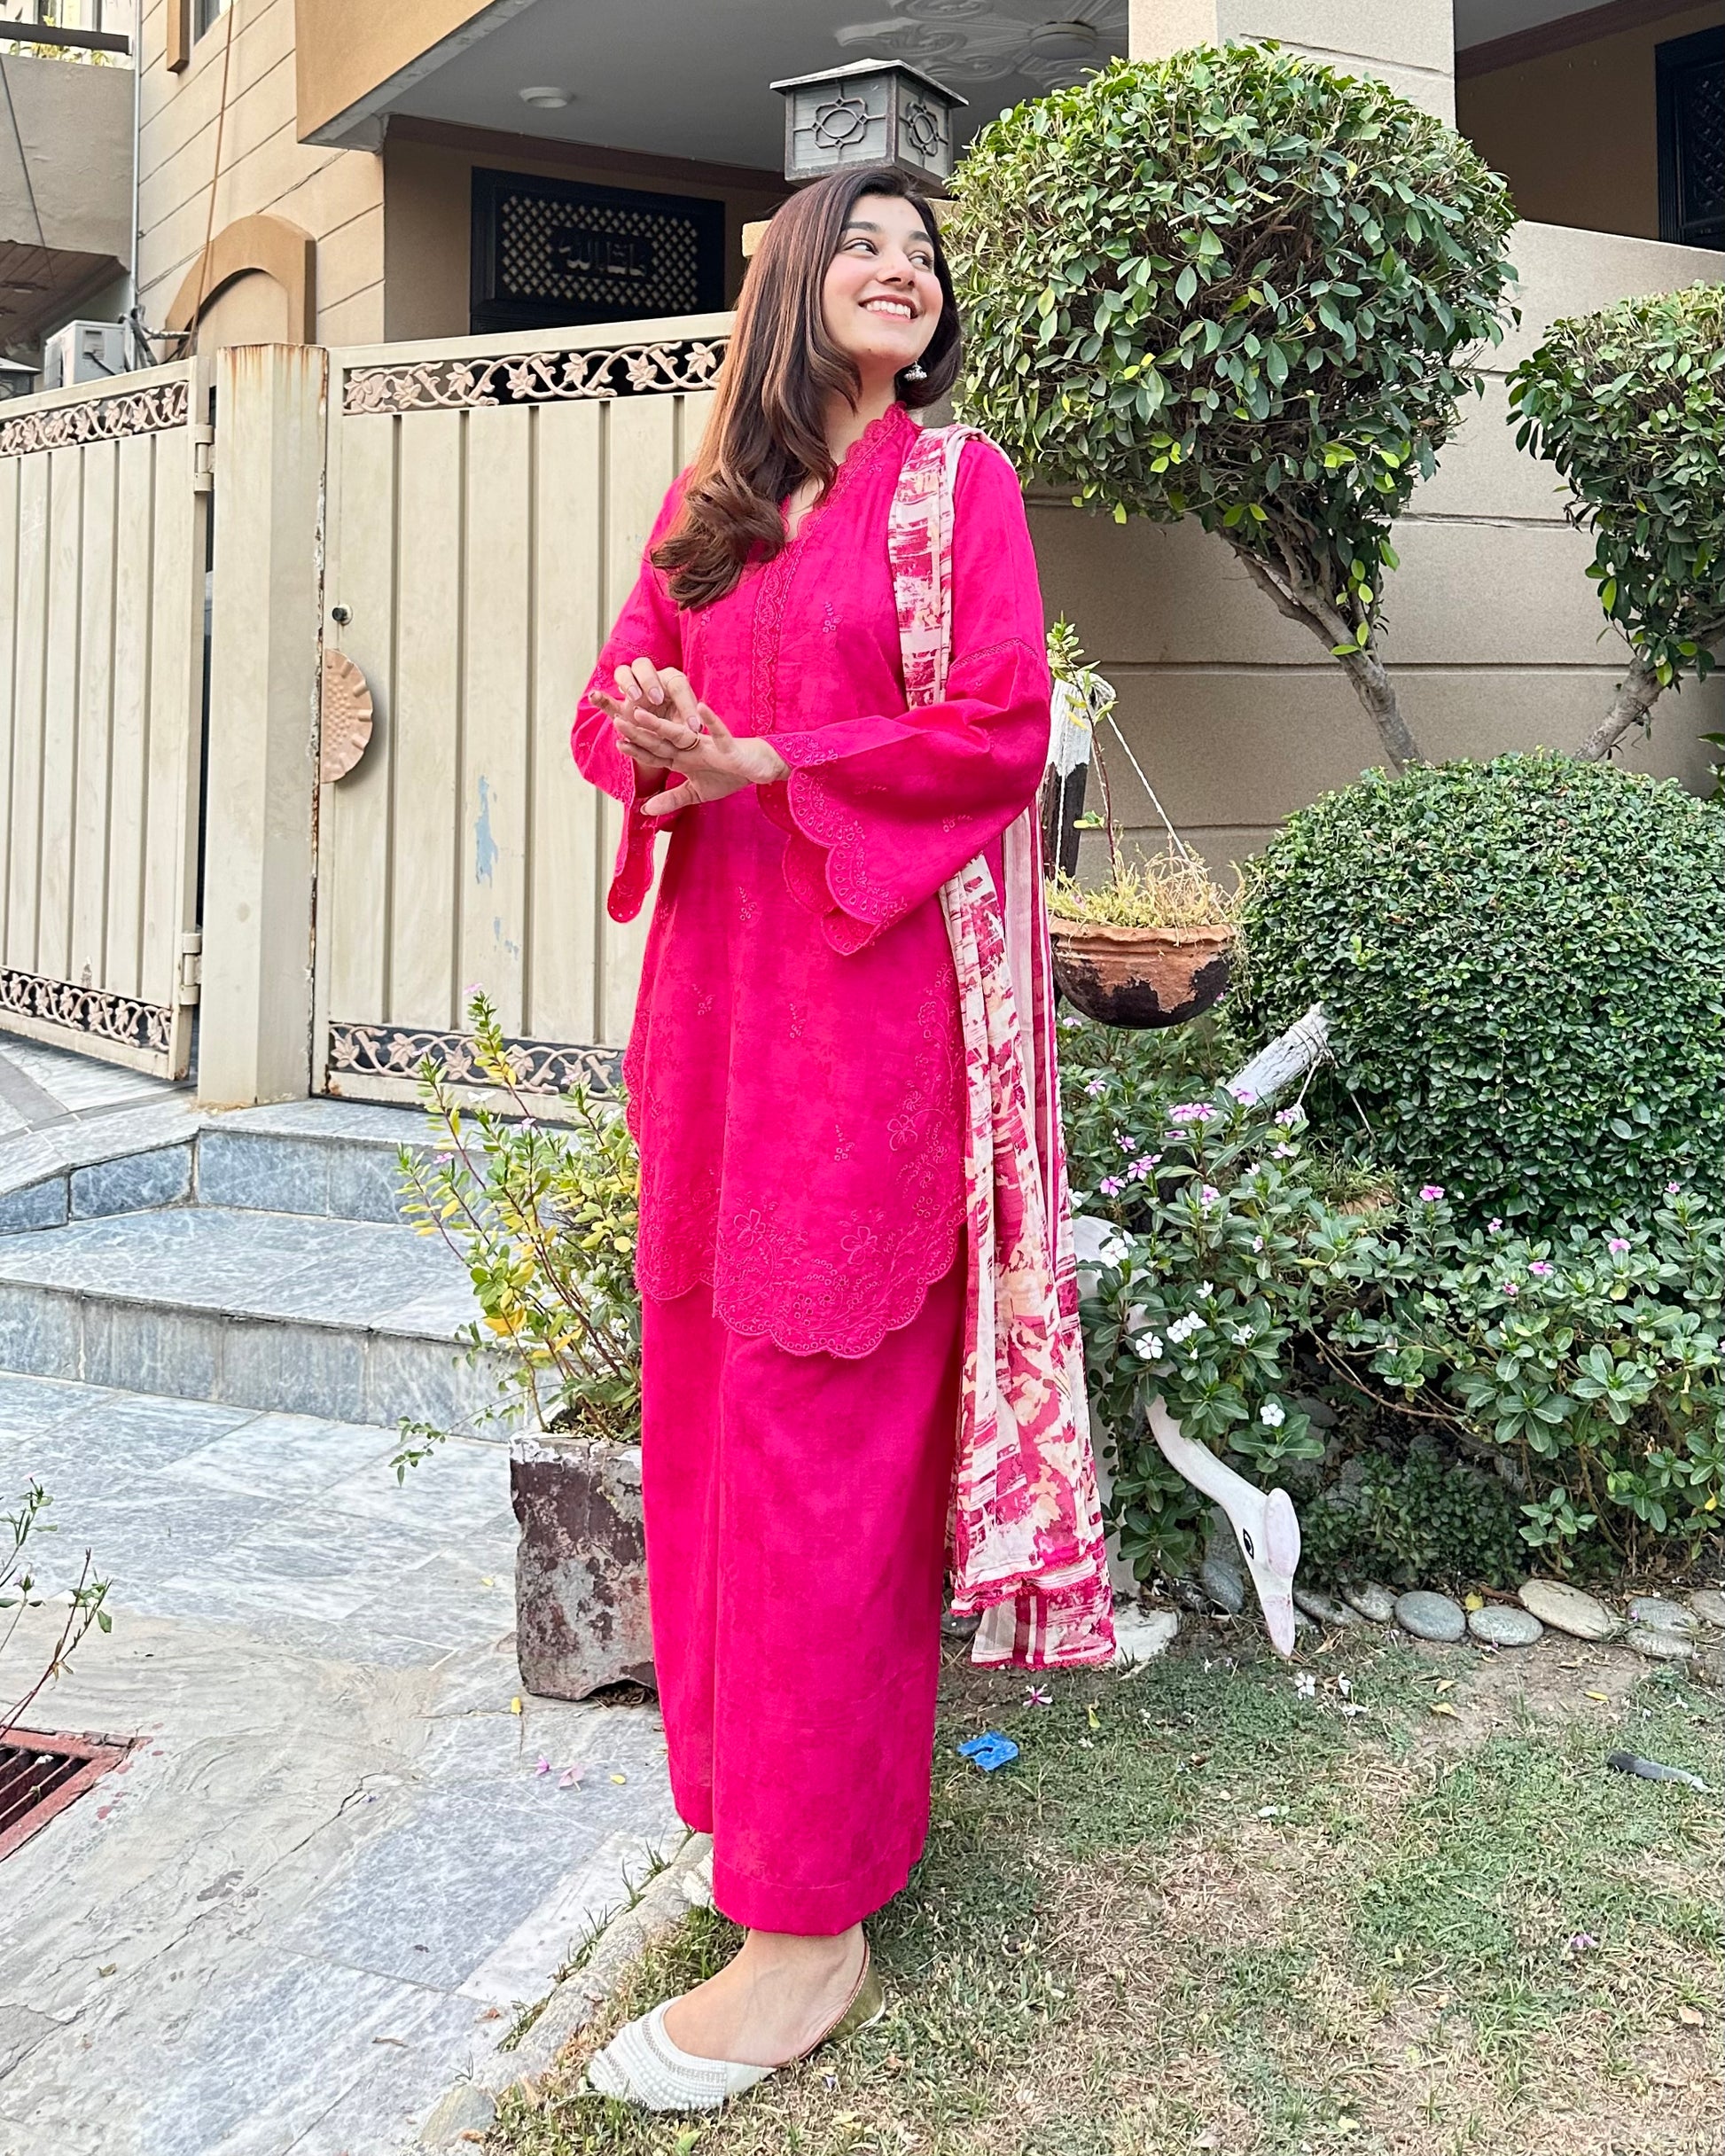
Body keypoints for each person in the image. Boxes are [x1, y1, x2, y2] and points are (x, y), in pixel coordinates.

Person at [569, 163, 1111, 2114]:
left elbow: (998, 727)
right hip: (712, 1037)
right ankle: (759, 1832)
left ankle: (808, 1935)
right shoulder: (710, 509)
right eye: (864, 244)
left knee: (819, 1462)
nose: (902, 269)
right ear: (794, 282)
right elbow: (607, 713)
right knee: (716, 1439)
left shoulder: (955, 491)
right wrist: (652, 731)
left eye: (922, 252)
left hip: (866, 1044)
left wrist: (769, 758)